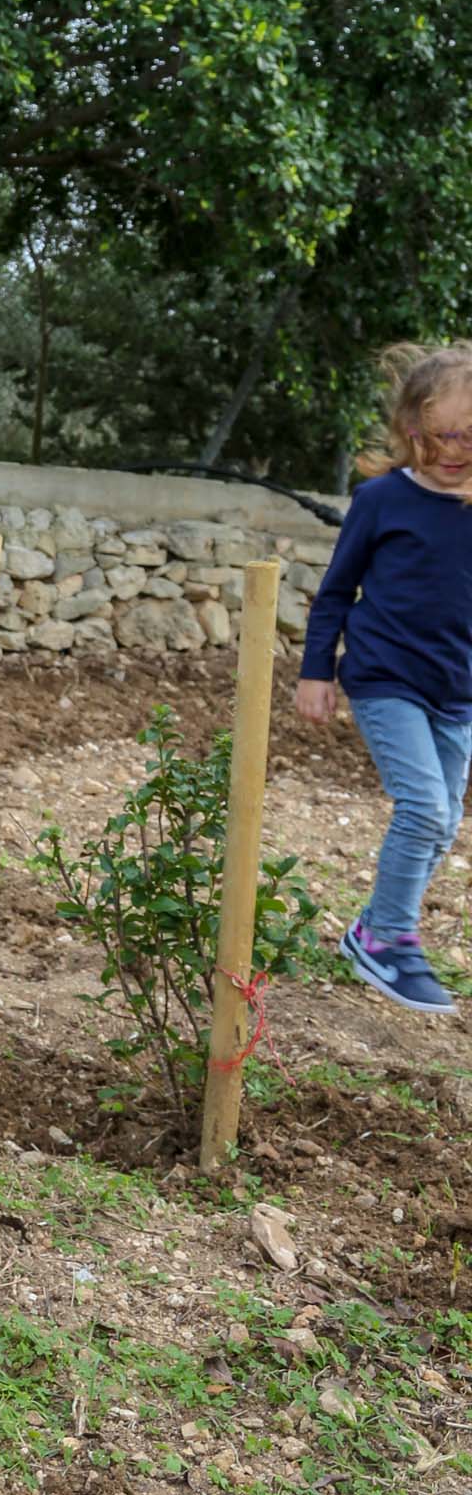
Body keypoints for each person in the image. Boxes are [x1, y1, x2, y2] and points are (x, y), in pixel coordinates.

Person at [298, 342, 472, 1015]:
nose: (455, 450)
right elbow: (336, 591)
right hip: (384, 678)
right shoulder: (381, 500)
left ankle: (371, 925)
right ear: (410, 430)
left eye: (469, 437)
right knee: (424, 806)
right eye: (441, 437)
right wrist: (318, 672)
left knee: (446, 821)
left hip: (457, 691)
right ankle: (392, 939)